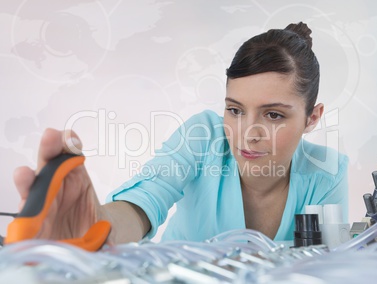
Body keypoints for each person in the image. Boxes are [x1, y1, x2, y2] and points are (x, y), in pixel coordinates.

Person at [13, 22, 348, 245]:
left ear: (312, 117)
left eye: (273, 115)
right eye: (235, 110)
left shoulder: (326, 173)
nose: (248, 134)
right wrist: (99, 228)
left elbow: (329, 266)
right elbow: (147, 198)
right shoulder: (203, 136)